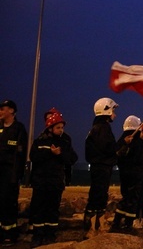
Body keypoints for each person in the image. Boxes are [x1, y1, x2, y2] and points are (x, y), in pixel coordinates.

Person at [29, 112, 78, 247]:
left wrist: (60, 154)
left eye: (62, 127)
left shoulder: (65, 141)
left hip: (55, 182)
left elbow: (72, 159)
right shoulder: (40, 140)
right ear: (50, 128)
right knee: (39, 208)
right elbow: (33, 157)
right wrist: (48, 152)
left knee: (52, 209)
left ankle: (50, 234)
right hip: (40, 181)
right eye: (58, 127)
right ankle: (38, 235)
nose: (61, 130)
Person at [83, 97, 118, 239]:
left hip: (99, 166)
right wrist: (118, 152)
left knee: (97, 194)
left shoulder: (96, 128)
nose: (114, 114)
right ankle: (94, 228)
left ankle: (95, 225)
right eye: (113, 110)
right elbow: (107, 149)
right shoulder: (103, 128)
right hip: (102, 167)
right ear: (107, 110)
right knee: (98, 196)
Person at [111, 115, 143, 233]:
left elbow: (117, 154)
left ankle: (117, 223)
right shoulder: (137, 141)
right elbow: (141, 159)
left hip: (124, 175)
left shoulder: (122, 139)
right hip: (136, 175)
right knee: (132, 200)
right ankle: (127, 225)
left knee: (125, 198)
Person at [0, 100, 27, 246]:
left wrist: (16, 175)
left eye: (2, 109)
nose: (0, 112)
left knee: (8, 203)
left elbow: (20, 155)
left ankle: (9, 234)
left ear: (11, 111)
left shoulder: (18, 129)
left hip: (10, 174)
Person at [43, 108, 77, 186]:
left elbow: (71, 158)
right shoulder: (42, 138)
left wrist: (60, 154)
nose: (49, 120)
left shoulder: (65, 139)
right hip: (44, 178)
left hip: (59, 176)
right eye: (47, 118)